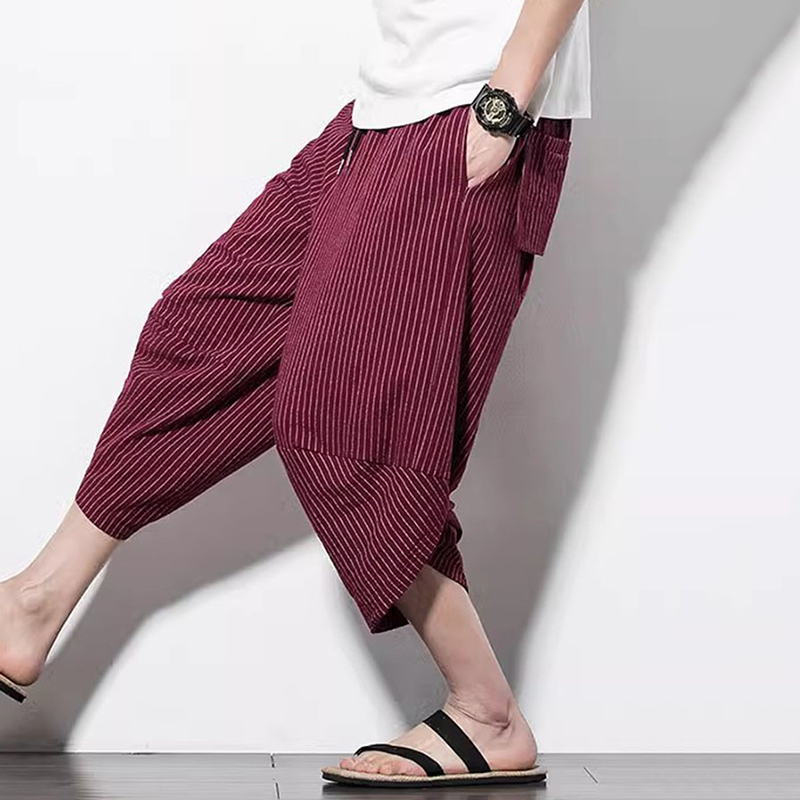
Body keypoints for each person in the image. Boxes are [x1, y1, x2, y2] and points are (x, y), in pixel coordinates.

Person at [0, 0, 591, 788]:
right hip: (391, 104)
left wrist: (508, 98)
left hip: (469, 108)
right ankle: (35, 601)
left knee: (341, 429)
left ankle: (486, 711)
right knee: (200, 335)